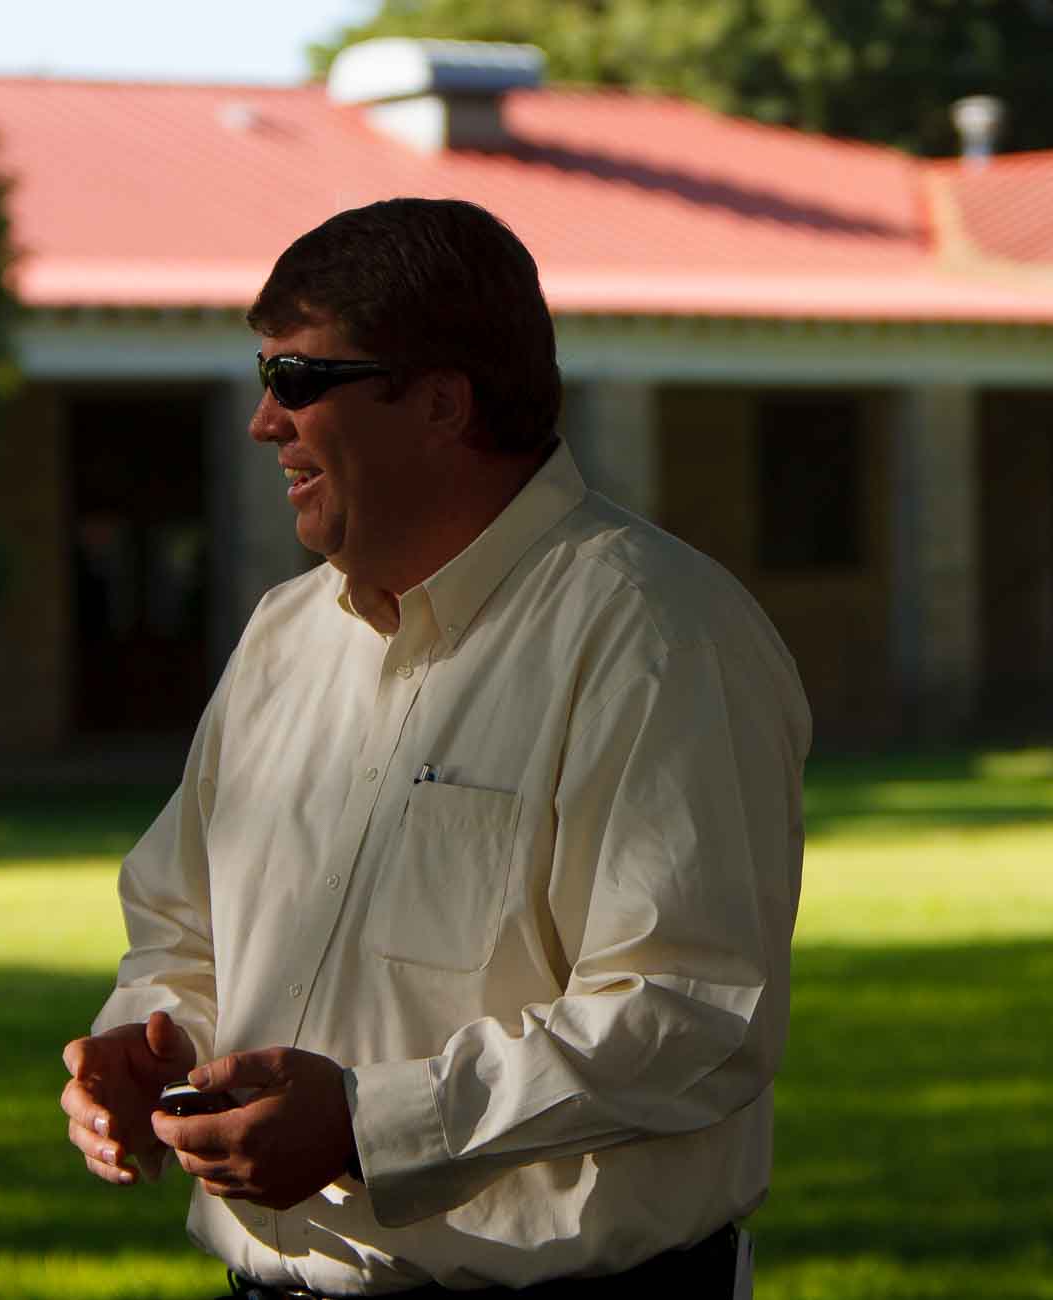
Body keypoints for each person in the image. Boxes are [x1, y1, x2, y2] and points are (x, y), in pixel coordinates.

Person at [58, 197, 811, 1297]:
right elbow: (182, 922)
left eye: (297, 380)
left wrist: (369, 1125)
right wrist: (151, 1044)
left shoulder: (658, 634)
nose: (266, 422)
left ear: (443, 404)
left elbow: (690, 1010)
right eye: (263, 374)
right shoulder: (285, 635)